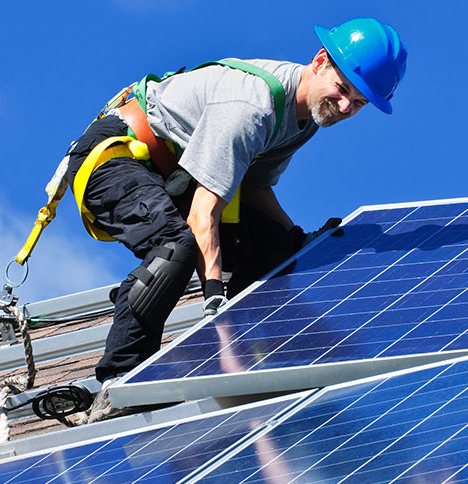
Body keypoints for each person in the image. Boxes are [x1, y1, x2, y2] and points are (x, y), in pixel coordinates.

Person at [59, 18, 408, 419]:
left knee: (278, 246)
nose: (345, 107)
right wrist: (214, 303)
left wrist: (296, 238)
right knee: (176, 247)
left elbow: (256, 189)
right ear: (320, 61)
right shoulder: (253, 107)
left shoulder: (304, 119)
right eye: (343, 89)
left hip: (174, 173)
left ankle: (252, 348)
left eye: (359, 103)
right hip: (114, 157)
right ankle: (120, 383)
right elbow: (202, 215)